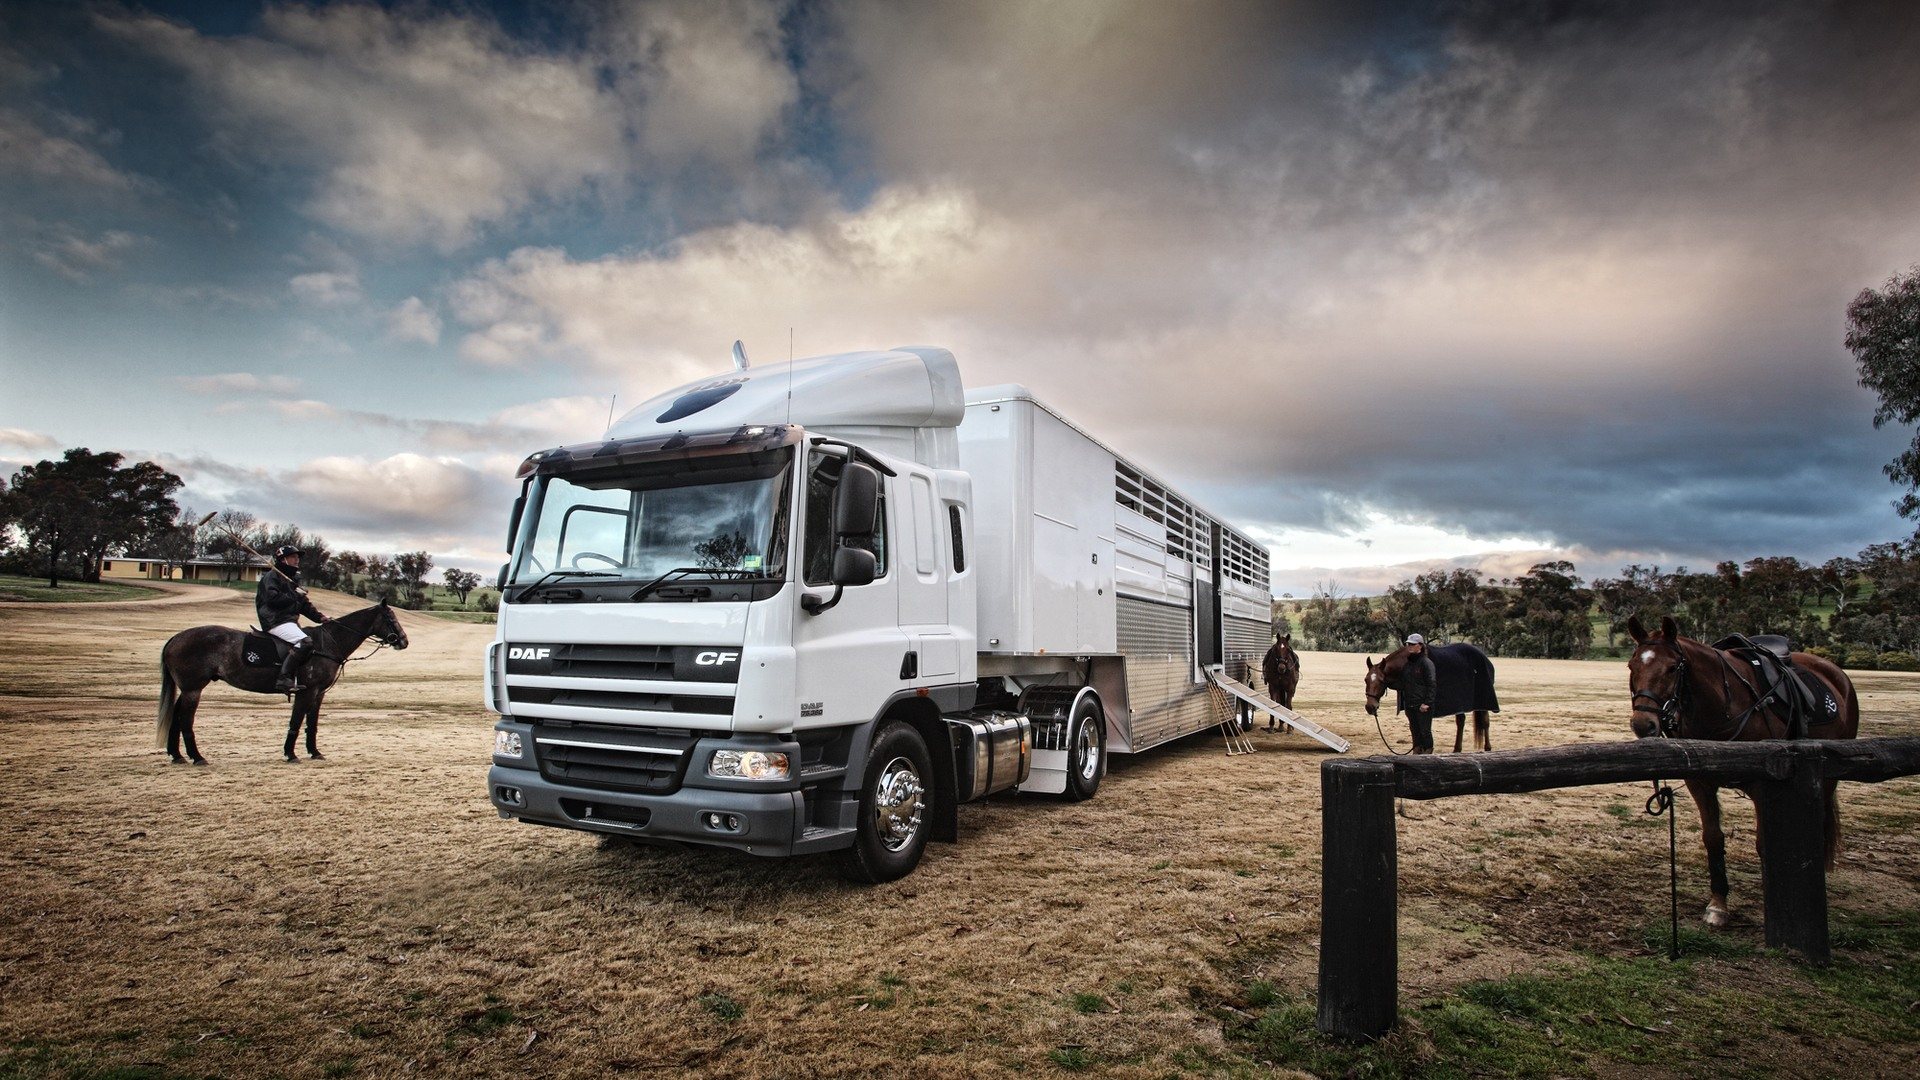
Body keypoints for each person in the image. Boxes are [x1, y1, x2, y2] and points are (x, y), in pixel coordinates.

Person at [256, 545, 328, 692]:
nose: (297, 560)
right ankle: (283, 679)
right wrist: (296, 594)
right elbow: (273, 599)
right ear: (283, 559)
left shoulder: (292, 579)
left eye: (297, 557)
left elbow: (303, 605)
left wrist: (320, 617)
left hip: (288, 621)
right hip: (274, 620)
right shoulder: (271, 576)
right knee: (305, 642)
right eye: (293, 557)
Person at [1397, 632, 1437, 754]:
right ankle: (1417, 751)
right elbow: (1403, 683)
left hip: (1422, 706)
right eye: (1408, 644)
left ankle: (1427, 753)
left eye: (1412, 644)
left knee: (1425, 731)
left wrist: (1427, 703)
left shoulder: (1426, 663)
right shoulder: (1408, 665)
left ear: (1420, 646)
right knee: (1414, 730)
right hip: (1410, 705)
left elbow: (1432, 684)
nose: (1409, 646)